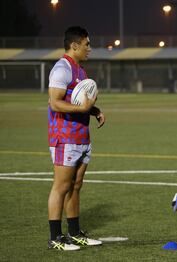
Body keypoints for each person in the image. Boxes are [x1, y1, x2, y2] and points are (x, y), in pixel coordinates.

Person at [47, 26, 105, 251]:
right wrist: (83, 109)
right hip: (65, 136)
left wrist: (94, 110)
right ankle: (55, 238)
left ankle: (74, 233)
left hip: (81, 135)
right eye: (86, 44)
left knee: (76, 186)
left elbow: (80, 102)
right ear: (75, 45)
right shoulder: (62, 68)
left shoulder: (80, 70)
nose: (89, 48)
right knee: (61, 187)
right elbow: (55, 102)